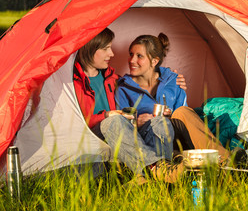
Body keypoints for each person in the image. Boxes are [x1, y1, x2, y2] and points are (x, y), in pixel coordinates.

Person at [111, 33, 232, 183]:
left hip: (174, 135)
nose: (132, 60)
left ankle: (225, 160)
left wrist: (170, 115)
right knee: (159, 124)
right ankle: (181, 166)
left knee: (181, 111)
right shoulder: (123, 88)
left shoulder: (173, 81)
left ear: (154, 61)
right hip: (147, 138)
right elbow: (121, 125)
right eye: (131, 54)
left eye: (139, 56)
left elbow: (183, 114)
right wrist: (138, 120)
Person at [73, 28, 187, 184]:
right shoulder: (72, 83)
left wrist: (173, 79)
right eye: (106, 48)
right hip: (94, 135)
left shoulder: (113, 79)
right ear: (90, 48)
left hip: (122, 134)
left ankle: (156, 177)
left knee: (160, 122)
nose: (112, 54)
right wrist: (106, 115)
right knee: (113, 121)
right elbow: (73, 125)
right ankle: (156, 168)